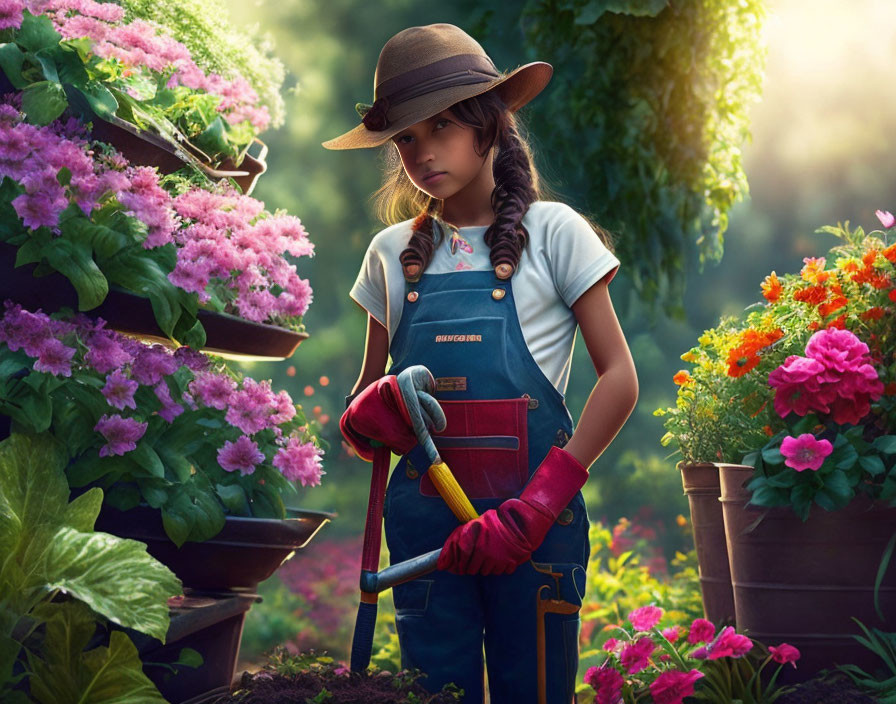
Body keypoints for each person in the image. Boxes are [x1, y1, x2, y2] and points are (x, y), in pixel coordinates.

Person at [323, 23, 639, 704]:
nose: (422, 151)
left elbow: (620, 378)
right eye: (406, 137)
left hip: (536, 534)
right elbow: (361, 419)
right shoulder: (387, 252)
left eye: (441, 126)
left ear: (489, 123)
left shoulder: (556, 234)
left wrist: (538, 506)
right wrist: (365, 417)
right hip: (428, 546)